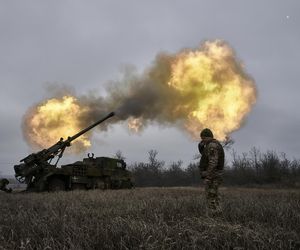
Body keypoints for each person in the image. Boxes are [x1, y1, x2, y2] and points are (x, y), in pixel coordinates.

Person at [198, 128, 224, 215]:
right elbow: (207, 157)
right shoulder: (211, 145)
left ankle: (214, 216)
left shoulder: (212, 145)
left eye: (203, 138)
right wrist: (201, 148)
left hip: (213, 176)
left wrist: (208, 177)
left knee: (211, 195)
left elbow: (213, 162)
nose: (203, 141)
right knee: (214, 195)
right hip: (214, 175)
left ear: (208, 137)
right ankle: (217, 214)